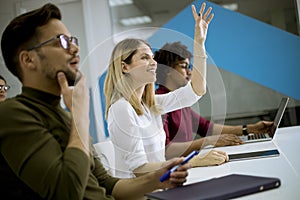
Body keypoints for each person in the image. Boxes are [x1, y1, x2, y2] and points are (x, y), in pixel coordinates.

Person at [0, 3, 191, 200]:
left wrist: (158, 178)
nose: (75, 48)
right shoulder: (12, 114)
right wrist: (81, 116)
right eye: (61, 41)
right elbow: (67, 191)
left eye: (72, 40)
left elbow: (109, 185)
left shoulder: (65, 116)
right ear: (28, 60)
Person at [104, 3, 229, 179]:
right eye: (144, 58)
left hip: (162, 185)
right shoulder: (121, 109)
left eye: (152, 58)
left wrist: (199, 44)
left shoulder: (151, 104)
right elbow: (139, 168)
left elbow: (196, 91)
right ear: (125, 67)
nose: (154, 63)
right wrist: (192, 161)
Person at [154, 41, 274, 147]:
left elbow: (207, 128)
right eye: (184, 67)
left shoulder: (181, 100)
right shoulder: (159, 101)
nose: (190, 72)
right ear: (168, 70)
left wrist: (250, 129)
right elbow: (166, 150)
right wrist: (208, 141)